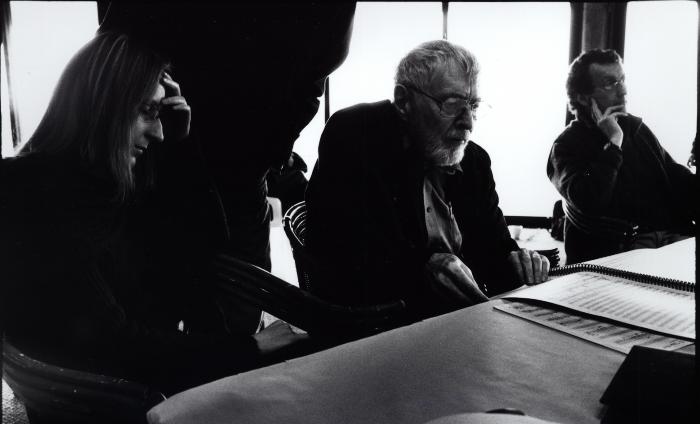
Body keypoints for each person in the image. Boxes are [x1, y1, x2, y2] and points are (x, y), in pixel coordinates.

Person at [0, 32, 305, 397]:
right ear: (103, 106)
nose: (159, 133)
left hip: (116, 391)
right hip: (117, 410)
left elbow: (208, 243)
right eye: (148, 112)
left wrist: (183, 144)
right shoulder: (39, 192)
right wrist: (252, 347)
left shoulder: (97, 183)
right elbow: (120, 343)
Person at [98, 2, 356, 333]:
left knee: (237, 326)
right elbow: (114, 45)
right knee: (145, 315)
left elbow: (314, 79)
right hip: (154, 165)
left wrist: (270, 151)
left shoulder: (325, 18)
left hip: (241, 173)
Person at [305, 40, 549, 320]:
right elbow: (345, 256)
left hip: (455, 325)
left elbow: (494, 245)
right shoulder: (356, 135)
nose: (468, 122)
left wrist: (516, 259)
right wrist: (423, 267)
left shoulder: (475, 162)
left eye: (473, 105)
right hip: (371, 329)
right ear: (403, 101)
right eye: (452, 103)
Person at [547, 49, 695, 264]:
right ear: (582, 97)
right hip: (620, 252)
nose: (623, 91)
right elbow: (590, 200)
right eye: (610, 83)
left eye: (622, 80)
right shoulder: (567, 145)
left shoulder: (637, 130)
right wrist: (614, 142)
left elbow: (679, 181)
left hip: (671, 240)